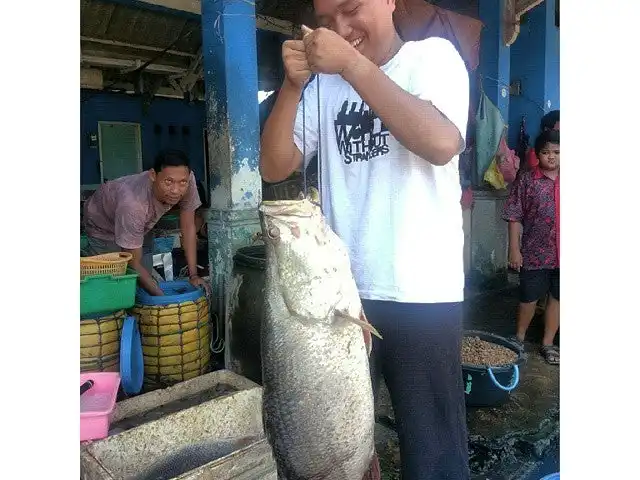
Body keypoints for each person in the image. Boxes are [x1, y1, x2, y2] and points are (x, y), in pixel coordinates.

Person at [260, 0, 471, 478]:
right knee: (340, 446)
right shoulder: (324, 88)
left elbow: (440, 143)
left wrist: (352, 65)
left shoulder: (431, 57)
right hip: (340, 302)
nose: (340, 28)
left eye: (351, 9)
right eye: (327, 20)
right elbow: (275, 166)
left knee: (434, 453)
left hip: (421, 293)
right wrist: (293, 88)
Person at [83, 149, 208, 296]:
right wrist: (164, 300)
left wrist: (193, 276)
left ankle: (141, 305)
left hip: (141, 224)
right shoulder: (133, 205)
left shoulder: (186, 179)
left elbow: (188, 226)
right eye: (168, 182)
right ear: (153, 175)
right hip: (103, 225)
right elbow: (132, 261)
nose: (176, 190)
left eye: (182, 183)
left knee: (144, 278)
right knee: (111, 284)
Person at [503, 129, 560, 365]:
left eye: (557, 152)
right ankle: (519, 338)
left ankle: (548, 343)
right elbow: (514, 216)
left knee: (558, 298)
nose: (552, 157)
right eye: (546, 152)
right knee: (529, 298)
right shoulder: (527, 180)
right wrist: (514, 249)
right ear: (537, 154)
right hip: (536, 252)